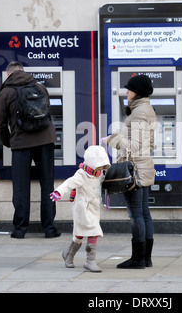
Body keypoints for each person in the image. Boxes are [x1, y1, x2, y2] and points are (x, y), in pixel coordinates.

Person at [0, 61, 60, 239]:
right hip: (46, 141)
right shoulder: (40, 86)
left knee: (21, 188)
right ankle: (49, 229)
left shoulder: (6, 92)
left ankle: (20, 230)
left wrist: (10, 142)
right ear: (24, 72)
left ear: (8, 74)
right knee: (48, 185)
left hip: (21, 144)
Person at [102, 74, 157, 269]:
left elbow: (134, 147)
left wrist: (112, 140)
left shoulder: (139, 112)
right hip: (143, 167)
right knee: (143, 214)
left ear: (137, 92)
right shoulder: (145, 109)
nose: (126, 92)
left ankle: (138, 259)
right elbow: (149, 145)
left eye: (129, 89)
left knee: (136, 215)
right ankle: (146, 258)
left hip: (135, 170)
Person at [49, 145, 110, 272]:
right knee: (90, 232)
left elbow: (105, 182)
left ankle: (68, 254)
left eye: (103, 165)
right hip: (82, 208)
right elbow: (69, 182)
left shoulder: (99, 174)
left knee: (82, 233)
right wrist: (59, 192)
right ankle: (90, 261)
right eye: (99, 165)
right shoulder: (81, 174)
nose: (101, 168)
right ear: (91, 163)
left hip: (93, 207)